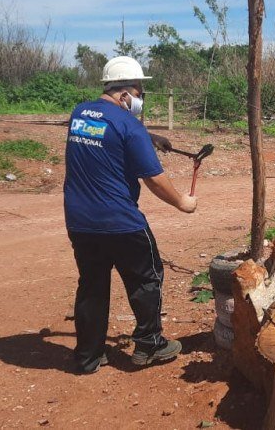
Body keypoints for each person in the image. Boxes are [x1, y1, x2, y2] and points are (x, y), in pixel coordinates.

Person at [63, 55, 196, 374]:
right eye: (138, 93)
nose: (140, 99)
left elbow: (109, 130)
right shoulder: (130, 126)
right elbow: (153, 178)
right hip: (121, 222)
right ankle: (150, 344)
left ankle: (89, 356)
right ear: (124, 94)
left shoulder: (80, 114)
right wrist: (182, 202)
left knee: (92, 285)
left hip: (80, 222)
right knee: (147, 277)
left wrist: (150, 138)